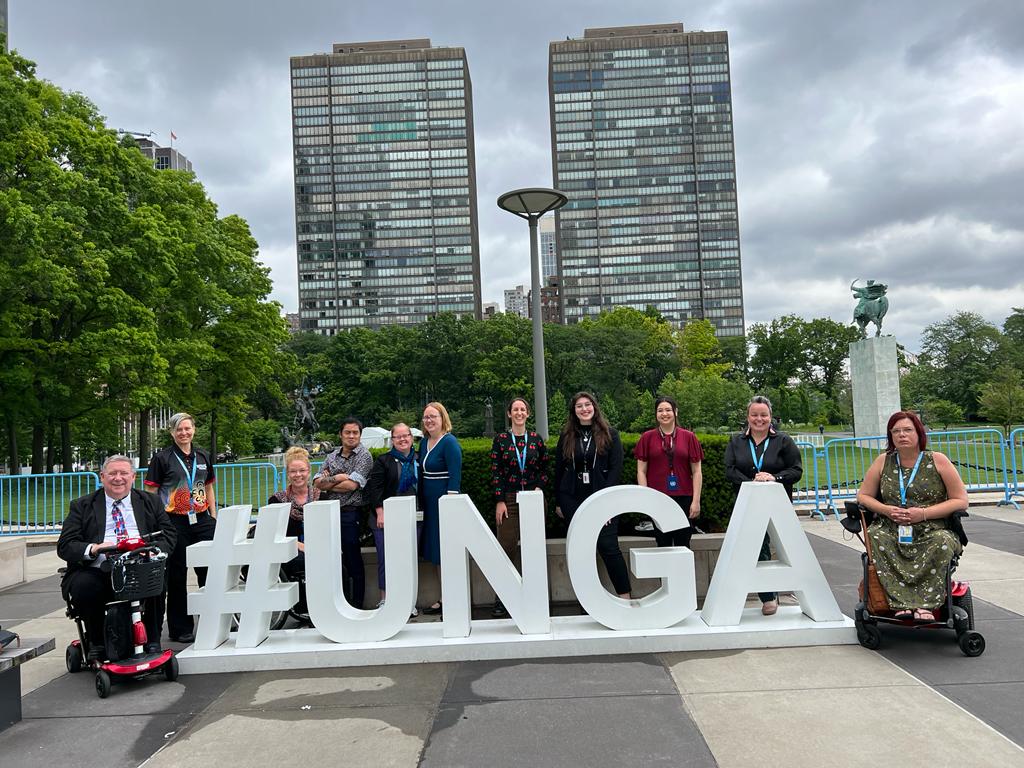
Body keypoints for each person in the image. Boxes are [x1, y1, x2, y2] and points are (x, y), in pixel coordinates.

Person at [59, 455, 176, 659]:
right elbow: (65, 545)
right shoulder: (82, 505)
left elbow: (169, 535)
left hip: (140, 566)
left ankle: (152, 642)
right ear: (102, 477)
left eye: (123, 473)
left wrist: (154, 551)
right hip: (99, 569)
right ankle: (96, 642)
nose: (118, 478)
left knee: (156, 576)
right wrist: (94, 548)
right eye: (112, 473)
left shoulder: (150, 501)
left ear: (133, 477)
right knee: (84, 585)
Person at [856, 411, 968, 621]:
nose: (901, 435)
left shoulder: (937, 460)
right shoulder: (883, 461)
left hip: (932, 527)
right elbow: (863, 495)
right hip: (892, 526)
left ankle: (926, 605)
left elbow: (960, 500)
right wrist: (886, 510)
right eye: (896, 431)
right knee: (875, 535)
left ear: (918, 433)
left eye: (907, 430)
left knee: (941, 541)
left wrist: (923, 514)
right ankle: (900, 604)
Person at [724, 396, 803, 616]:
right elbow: (730, 471)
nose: (759, 419)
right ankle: (768, 597)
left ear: (770, 417)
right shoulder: (736, 441)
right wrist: (752, 483)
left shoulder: (784, 441)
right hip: (747, 502)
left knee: (788, 549)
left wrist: (774, 478)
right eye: (754, 415)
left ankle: (801, 590)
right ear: (748, 417)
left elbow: (796, 470)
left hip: (778, 505)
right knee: (758, 547)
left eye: (763, 415)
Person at [145, 412, 217, 644]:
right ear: (172, 432)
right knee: (177, 575)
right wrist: (156, 522)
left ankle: (213, 620)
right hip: (174, 521)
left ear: (193, 429)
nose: (184, 433)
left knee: (209, 571)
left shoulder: (202, 455)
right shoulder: (162, 459)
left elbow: (208, 487)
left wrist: (213, 515)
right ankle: (180, 627)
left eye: (187, 428)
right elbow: (152, 493)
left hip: (201, 518)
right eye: (179, 430)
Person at [554, 391, 631, 598]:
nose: (584, 409)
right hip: (573, 498)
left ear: (594, 407)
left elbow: (616, 470)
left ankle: (626, 597)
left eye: (587, 405)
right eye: (579, 406)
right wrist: (558, 502)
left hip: (602, 498)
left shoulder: (610, 434)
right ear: (574, 411)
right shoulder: (567, 435)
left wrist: (607, 504)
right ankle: (587, 602)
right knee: (581, 550)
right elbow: (559, 469)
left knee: (608, 546)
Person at [489, 397, 548, 617]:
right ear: (509, 414)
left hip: (532, 498)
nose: (519, 413)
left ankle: (535, 595)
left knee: (534, 548)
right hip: (510, 500)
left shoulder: (536, 439)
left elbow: (544, 468)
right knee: (506, 547)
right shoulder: (501, 440)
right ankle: (503, 599)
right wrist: (500, 500)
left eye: (523, 409)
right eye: (515, 409)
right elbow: (496, 471)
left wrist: (538, 488)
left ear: (528, 414)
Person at [314, 417, 373, 610]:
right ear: (340, 434)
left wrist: (329, 483)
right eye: (347, 432)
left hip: (351, 514)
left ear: (360, 434)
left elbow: (352, 485)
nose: (351, 436)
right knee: (331, 559)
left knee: (352, 558)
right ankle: (337, 603)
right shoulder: (331, 456)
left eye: (355, 432)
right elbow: (316, 482)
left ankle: (356, 604)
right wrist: (338, 477)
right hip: (328, 514)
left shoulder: (364, 456)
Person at [364, 423, 420, 617]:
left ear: (412, 438)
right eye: (398, 437)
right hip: (384, 519)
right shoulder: (383, 461)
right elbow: (375, 489)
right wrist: (380, 512)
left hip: (413, 517)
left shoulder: (420, 458)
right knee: (385, 559)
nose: (403, 439)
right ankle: (385, 598)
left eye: (406, 435)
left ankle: (408, 601)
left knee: (409, 560)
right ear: (392, 440)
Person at [635, 395, 704, 548]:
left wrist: (696, 501)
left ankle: (684, 573)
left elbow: (697, 471)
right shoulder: (647, 438)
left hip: (684, 497)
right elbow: (641, 471)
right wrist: (645, 498)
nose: (664, 414)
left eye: (668, 410)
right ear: (656, 414)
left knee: (683, 544)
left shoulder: (689, 437)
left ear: (675, 412)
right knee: (662, 543)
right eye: (660, 410)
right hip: (657, 498)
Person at [419, 402, 462, 615]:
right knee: (436, 552)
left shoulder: (449, 442)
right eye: (426, 417)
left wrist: (450, 506)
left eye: (433, 416)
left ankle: (452, 598)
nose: (429, 420)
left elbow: (455, 477)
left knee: (446, 551)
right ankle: (443, 597)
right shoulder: (424, 442)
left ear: (442, 418)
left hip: (443, 503)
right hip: (429, 504)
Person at [267, 446, 321, 581]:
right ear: (287, 473)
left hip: (319, 548)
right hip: (290, 553)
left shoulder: (322, 497)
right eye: (293, 471)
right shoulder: (276, 500)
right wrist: (301, 546)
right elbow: (274, 535)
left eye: (302, 470)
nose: (298, 475)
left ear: (309, 472)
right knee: (300, 561)